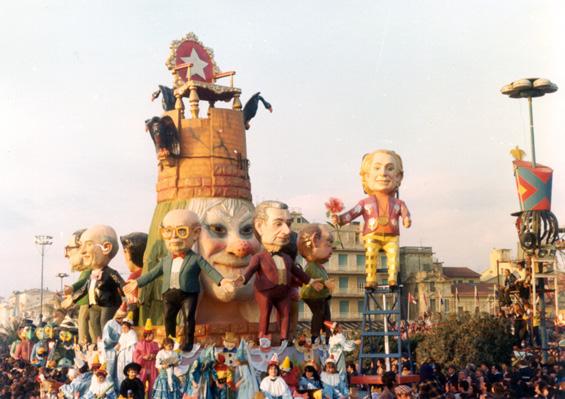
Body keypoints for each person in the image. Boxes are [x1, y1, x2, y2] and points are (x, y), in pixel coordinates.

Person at [125, 209, 234, 352]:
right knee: (169, 318)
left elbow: (209, 270)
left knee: (189, 318)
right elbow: (152, 274)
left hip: (188, 293)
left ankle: (188, 342)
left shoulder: (195, 258)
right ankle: (170, 341)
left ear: (195, 234)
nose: (174, 238)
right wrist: (137, 282)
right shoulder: (165, 261)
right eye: (168, 232)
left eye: (181, 231)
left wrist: (222, 281)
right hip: (169, 294)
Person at [236, 201, 323, 342]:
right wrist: (242, 279)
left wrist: (311, 282)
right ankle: (262, 335)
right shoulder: (260, 257)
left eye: (288, 224)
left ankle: (284, 338)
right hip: (265, 291)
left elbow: (298, 273)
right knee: (265, 312)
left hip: (283, 292)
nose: (287, 231)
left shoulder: (287, 258)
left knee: (286, 314)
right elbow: (250, 270)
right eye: (278, 224)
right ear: (260, 227)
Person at [331, 149, 411, 288]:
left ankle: (392, 278)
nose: (383, 173)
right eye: (377, 168)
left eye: (390, 169)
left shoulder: (398, 203)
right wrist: (341, 219)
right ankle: (371, 279)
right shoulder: (365, 203)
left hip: (391, 235)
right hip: (372, 234)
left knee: (393, 256)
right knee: (371, 254)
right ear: (366, 176)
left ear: (398, 176)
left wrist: (406, 219)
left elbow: (405, 213)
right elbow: (353, 213)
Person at [64, 225, 125, 340]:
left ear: (106, 247)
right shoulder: (92, 274)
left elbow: (121, 284)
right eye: (81, 246)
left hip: (108, 304)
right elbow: (84, 288)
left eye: (88, 244)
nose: (82, 251)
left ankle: (108, 344)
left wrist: (129, 296)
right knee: (94, 323)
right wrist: (72, 299)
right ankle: (98, 344)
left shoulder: (110, 273)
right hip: (94, 304)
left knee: (104, 323)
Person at [298, 224, 335, 345]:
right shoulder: (311, 266)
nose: (331, 250)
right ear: (314, 241)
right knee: (318, 313)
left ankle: (326, 335)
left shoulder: (320, 267)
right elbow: (313, 279)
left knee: (326, 315)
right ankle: (315, 335)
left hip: (322, 297)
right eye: (327, 245)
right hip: (312, 295)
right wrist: (325, 283)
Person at [63, 228, 93, 345]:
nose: (66, 254)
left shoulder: (89, 271)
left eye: (69, 249)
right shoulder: (87, 271)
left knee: (84, 324)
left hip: (87, 304)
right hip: (86, 304)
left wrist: (72, 296)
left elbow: (83, 285)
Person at [120, 232, 148, 326]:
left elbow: (130, 300)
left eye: (125, 251)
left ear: (131, 255)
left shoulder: (134, 277)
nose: (123, 256)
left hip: (135, 316)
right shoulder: (146, 274)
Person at [133, 319, 159, 399]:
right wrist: (143, 357)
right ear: (147, 335)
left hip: (152, 367)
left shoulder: (155, 344)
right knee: (140, 384)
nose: (153, 336)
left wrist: (154, 356)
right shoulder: (140, 344)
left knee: (153, 384)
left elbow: (159, 355)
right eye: (152, 334)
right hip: (143, 367)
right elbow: (135, 356)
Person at [115, 313, 138, 388]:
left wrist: (122, 347)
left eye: (125, 328)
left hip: (128, 354)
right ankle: (121, 388)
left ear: (129, 327)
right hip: (122, 355)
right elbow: (120, 344)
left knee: (128, 370)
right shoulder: (123, 334)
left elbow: (131, 345)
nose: (123, 329)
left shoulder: (132, 333)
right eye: (122, 328)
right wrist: (117, 347)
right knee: (120, 372)